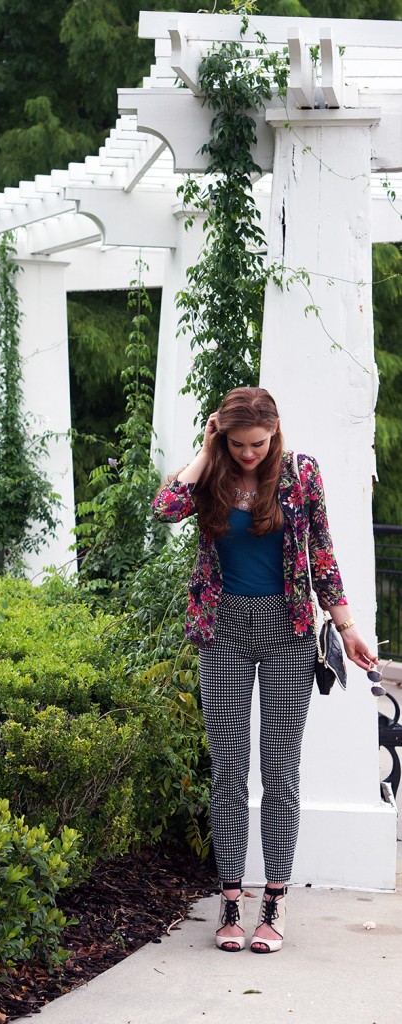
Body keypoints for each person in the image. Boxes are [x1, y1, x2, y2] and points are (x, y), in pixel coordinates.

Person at [152, 386, 378, 954]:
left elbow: (321, 551)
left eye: (257, 442)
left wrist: (347, 627)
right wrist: (206, 451)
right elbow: (165, 510)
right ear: (222, 437)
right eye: (237, 443)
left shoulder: (301, 474)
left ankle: (274, 900)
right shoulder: (209, 473)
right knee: (228, 767)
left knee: (280, 767)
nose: (249, 453)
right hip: (222, 628)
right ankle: (230, 901)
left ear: (275, 431)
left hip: (289, 632)